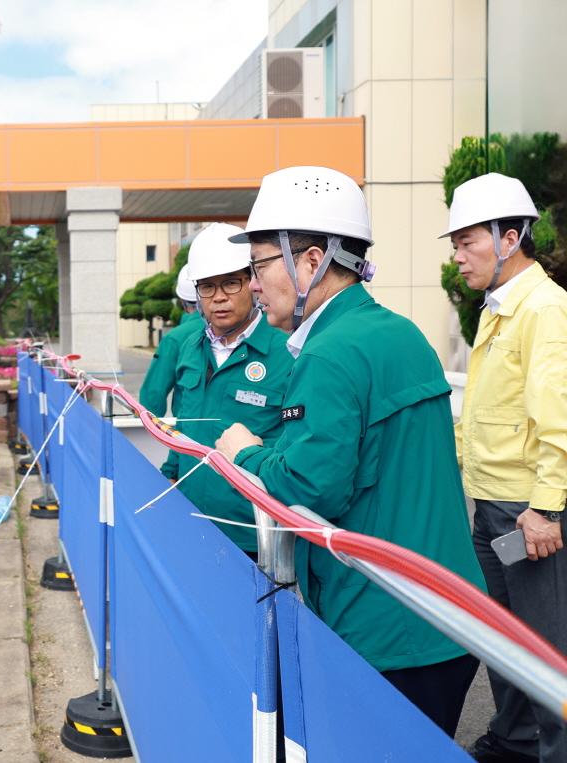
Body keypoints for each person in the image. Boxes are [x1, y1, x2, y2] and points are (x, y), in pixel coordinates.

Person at [213, 165, 485, 736]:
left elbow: (311, 488)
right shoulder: (397, 332)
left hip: (388, 626)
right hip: (447, 612)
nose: (254, 284)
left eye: (260, 265)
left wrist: (245, 453)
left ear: (311, 261)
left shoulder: (329, 353)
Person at [445, 173, 567, 763]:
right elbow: (488, 408)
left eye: (468, 242)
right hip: (492, 505)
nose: (458, 256)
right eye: (455, 244)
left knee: (545, 652)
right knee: (504, 642)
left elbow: (558, 417)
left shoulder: (544, 307)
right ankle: (517, 744)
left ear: (510, 236)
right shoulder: (497, 309)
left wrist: (545, 509)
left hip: (528, 515)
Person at [144, 223, 293, 556]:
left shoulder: (288, 353)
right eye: (207, 287)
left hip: (253, 536)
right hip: (189, 522)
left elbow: (299, 448)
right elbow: (184, 424)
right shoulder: (188, 347)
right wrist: (170, 473)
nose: (219, 297)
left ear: (253, 283)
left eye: (230, 282)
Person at [139, 262, 204, 417]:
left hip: (186, 437)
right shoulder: (242, 328)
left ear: (181, 301)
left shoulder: (175, 338)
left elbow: (153, 395)